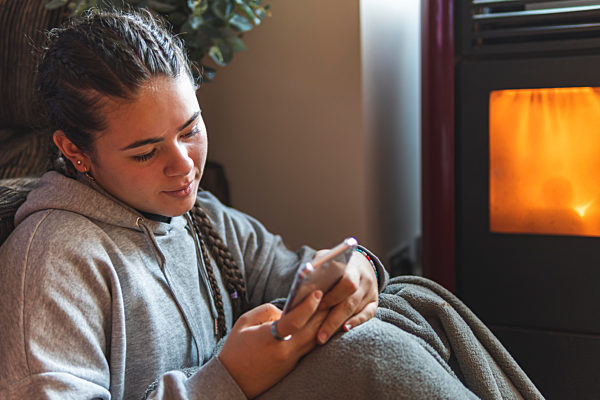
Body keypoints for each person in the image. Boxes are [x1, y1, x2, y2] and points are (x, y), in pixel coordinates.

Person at [0, 9, 540, 400]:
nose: (184, 165)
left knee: (405, 305)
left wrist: (358, 275)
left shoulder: (201, 218)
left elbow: (297, 273)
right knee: (371, 358)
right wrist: (226, 381)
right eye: (146, 152)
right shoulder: (51, 259)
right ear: (75, 150)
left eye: (190, 130)